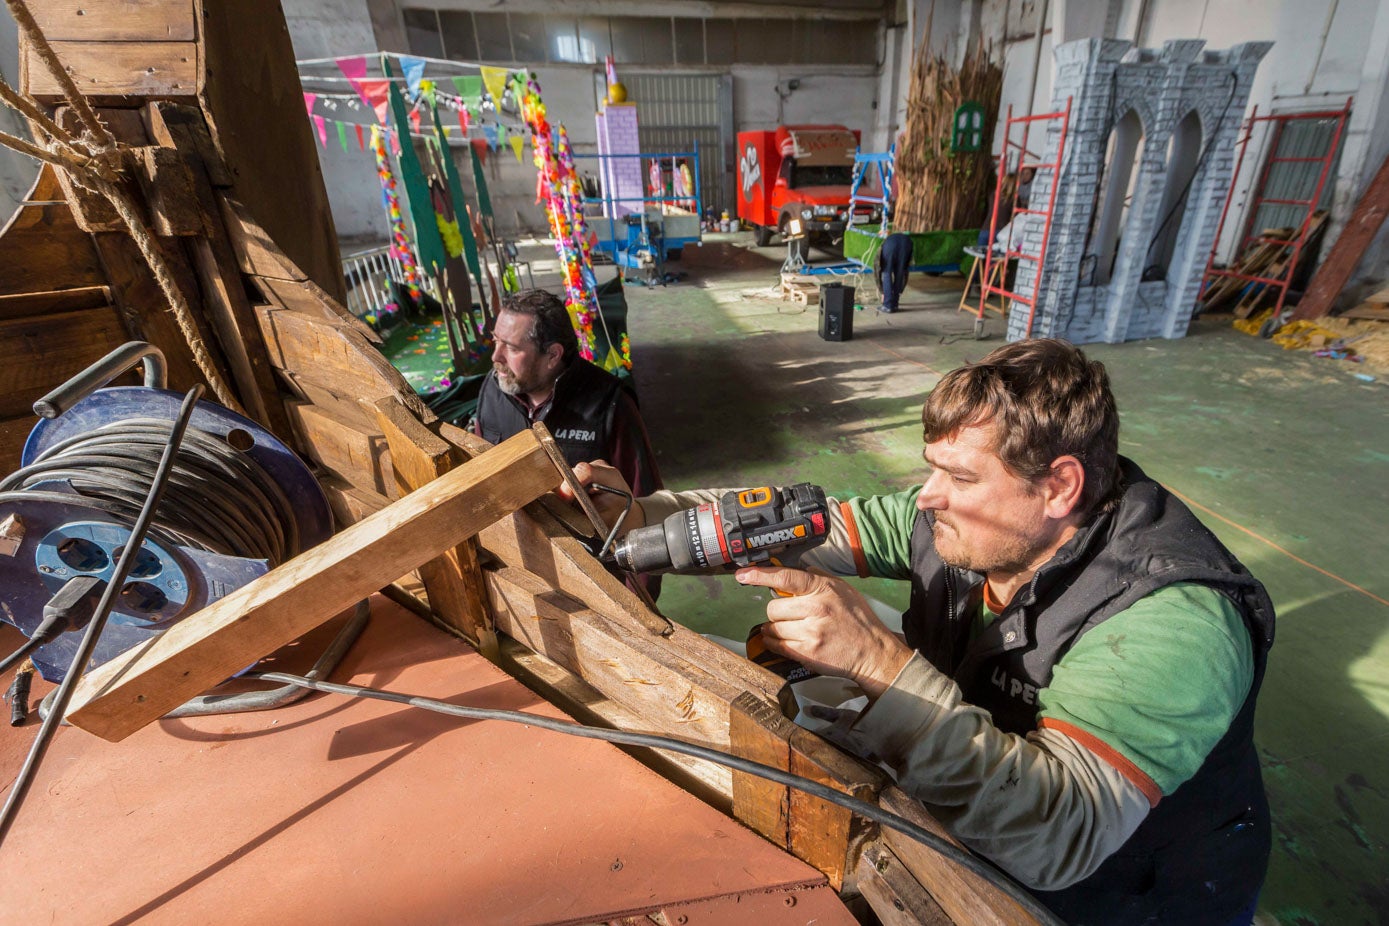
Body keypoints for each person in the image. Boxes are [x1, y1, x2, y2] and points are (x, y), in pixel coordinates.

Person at [571, 339, 1274, 925]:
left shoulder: (1173, 619)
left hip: (1127, 892)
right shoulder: (966, 523)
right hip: (982, 808)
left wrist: (878, 664)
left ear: (1059, 486)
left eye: (960, 477)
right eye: (931, 468)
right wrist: (639, 520)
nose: (928, 495)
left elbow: (1058, 836)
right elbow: (795, 527)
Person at [472, 288, 662, 503]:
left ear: (553, 355)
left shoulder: (611, 405)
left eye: (512, 349)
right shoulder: (493, 388)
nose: (496, 356)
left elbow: (646, 502)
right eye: (496, 341)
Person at [875, 232, 913, 313]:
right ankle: (895, 304)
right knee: (900, 273)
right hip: (907, 243)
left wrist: (882, 292)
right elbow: (905, 272)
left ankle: (887, 306)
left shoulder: (881, 248)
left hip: (891, 245)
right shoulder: (889, 239)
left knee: (887, 273)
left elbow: (877, 273)